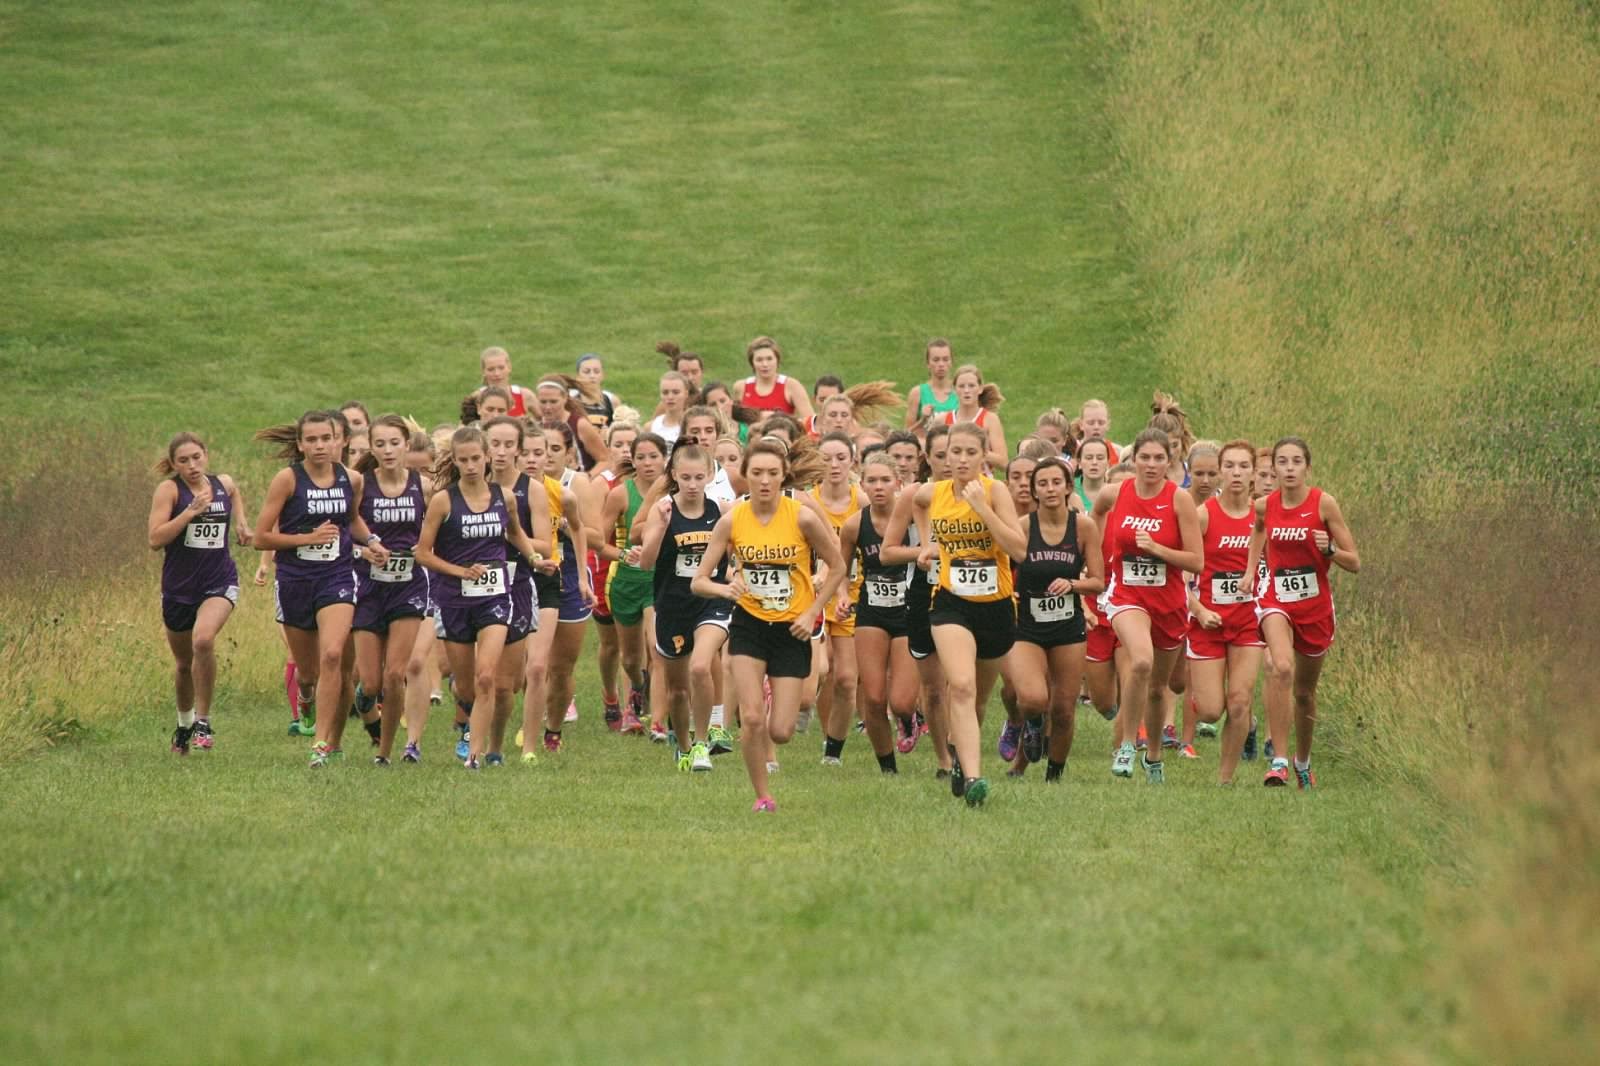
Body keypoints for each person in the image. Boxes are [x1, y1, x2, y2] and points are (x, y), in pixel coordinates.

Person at [692, 438, 846, 811]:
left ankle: (779, 731)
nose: (764, 481)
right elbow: (699, 581)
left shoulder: (802, 517)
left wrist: (811, 613)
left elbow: (838, 565)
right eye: (757, 473)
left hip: (792, 629)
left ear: (783, 477)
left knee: (781, 731)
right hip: (749, 625)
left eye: (772, 474)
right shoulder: (732, 521)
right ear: (745, 476)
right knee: (753, 717)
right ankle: (763, 795)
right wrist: (727, 587)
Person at [892, 422, 1027, 806]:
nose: (962, 459)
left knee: (979, 697)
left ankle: (957, 751)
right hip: (950, 603)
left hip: (997, 606)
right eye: (956, 452)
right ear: (945, 456)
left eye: (971, 452)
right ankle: (973, 777)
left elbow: (1018, 550)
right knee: (961, 686)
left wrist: (981, 507)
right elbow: (917, 502)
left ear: (984, 456)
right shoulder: (932, 492)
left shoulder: (994, 491)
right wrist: (929, 543)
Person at [253, 411, 391, 767]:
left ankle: (323, 742)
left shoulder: (352, 479)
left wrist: (372, 541)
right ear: (300, 444)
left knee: (334, 656)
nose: (319, 446)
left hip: (338, 577)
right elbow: (260, 537)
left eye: (325, 439)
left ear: (339, 440)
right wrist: (306, 539)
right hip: (296, 580)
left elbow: (353, 520)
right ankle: (307, 700)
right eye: (311, 440)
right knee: (310, 672)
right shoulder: (287, 480)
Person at [414, 426, 547, 769]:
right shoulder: (444, 500)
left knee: (488, 676)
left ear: (486, 457)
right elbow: (423, 553)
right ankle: (468, 725)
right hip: (455, 599)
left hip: (495, 597)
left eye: (476, 458)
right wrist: (459, 572)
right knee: (466, 686)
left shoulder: (505, 497)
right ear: (455, 462)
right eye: (464, 460)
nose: (471, 465)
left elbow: (515, 534)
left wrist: (533, 558)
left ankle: (475, 754)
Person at [1244, 437, 1360, 788]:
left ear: (1307, 467)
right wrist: (1251, 572)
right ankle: (1278, 760)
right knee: (1281, 667)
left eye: (1296, 462)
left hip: (1315, 605)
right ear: (1274, 468)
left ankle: (1302, 761)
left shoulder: (1324, 504)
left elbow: (1354, 562)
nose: (1289, 468)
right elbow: (1258, 532)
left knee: (1305, 692)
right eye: (1283, 462)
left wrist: (1330, 551)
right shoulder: (1265, 506)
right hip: (1276, 598)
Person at [1092, 429, 1203, 783]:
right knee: (1140, 659)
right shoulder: (1116, 493)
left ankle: (1153, 756)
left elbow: (1196, 562)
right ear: (1133, 460)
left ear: (1169, 463)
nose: (1152, 465)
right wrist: (1095, 556)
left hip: (1168, 604)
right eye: (1145, 458)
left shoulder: (1179, 499)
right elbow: (1095, 513)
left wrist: (1158, 550)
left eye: (1159, 459)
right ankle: (1127, 745)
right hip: (1127, 597)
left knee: (1159, 688)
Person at [148, 433, 249, 754]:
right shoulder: (169, 490)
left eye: (196, 457)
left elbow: (233, 493)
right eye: (183, 461)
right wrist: (190, 512)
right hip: (179, 589)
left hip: (219, 581)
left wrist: (242, 525)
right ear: (174, 464)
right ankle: (184, 725)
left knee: (203, 639)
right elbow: (155, 539)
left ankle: (204, 720)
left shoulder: (222, 483)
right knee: (183, 664)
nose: (192, 465)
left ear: (206, 455)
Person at [1010, 458, 1104, 782]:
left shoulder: (1084, 527)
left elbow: (1099, 581)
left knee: (1064, 709)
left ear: (1068, 487)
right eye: (1042, 483)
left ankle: (1054, 775)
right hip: (1027, 628)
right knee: (1034, 698)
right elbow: (1003, 567)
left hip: (1067, 627)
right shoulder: (1024, 526)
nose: (1050, 489)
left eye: (1056, 483)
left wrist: (1073, 584)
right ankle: (1033, 724)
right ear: (1034, 490)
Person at [638, 443, 729, 772]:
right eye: (686, 477)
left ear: (710, 476)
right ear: (674, 476)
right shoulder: (662, 509)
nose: (692, 484)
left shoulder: (721, 509)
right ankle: (685, 746)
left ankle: (703, 743)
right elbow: (647, 563)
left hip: (710, 602)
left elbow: (739, 548)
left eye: (699, 477)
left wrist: (736, 575)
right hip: (672, 606)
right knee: (677, 690)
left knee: (701, 667)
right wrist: (660, 527)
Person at [350, 416, 432, 765]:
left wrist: (424, 549)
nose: (387, 450)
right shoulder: (360, 485)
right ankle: (365, 705)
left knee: (395, 673)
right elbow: (346, 528)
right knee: (370, 683)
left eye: (394, 443)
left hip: (409, 587)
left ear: (406, 445)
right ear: (371, 446)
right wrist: (364, 548)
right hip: (368, 587)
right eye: (380, 444)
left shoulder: (423, 486)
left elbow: (439, 528)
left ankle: (385, 752)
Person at [1184, 440, 1262, 783]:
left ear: (1254, 474)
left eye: (1244, 466)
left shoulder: (1262, 516)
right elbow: (1179, 577)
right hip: (1208, 623)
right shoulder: (1202, 516)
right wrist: (1198, 610)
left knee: (1240, 700)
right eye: (1229, 466)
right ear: (1220, 471)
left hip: (1248, 622)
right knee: (1212, 710)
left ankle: (1224, 779)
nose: (1236, 473)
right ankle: (1231, 720)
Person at [837, 451, 913, 773]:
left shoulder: (912, 519)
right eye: (872, 481)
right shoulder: (854, 525)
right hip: (872, 612)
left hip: (909, 612)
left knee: (901, 701)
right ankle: (888, 767)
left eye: (885, 480)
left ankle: (910, 718)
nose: (879, 487)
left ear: (898, 482)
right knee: (874, 699)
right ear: (862, 484)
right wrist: (841, 595)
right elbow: (840, 566)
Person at [883, 426, 953, 775]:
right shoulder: (913, 495)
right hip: (925, 593)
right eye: (941, 455)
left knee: (964, 683)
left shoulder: (980, 493)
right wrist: (923, 551)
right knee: (935, 688)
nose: (950, 462)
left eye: (956, 453)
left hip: (972, 591)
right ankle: (944, 759)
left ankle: (962, 748)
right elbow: (887, 551)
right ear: (928, 458)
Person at [598, 433, 670, 733]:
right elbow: (599, 543)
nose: (648, 463)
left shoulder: (673, 491)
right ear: (633, 460)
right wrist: (624, 554)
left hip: (660, 580)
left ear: (664, 459)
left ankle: (657, 722)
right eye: (641, 457)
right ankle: (638, 687)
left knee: (656, 648)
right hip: (626, 581)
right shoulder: (620, 494)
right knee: (629, 658)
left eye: (654, 456)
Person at [535, 421, 597, 744]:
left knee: (560, 668)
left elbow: (586, 530)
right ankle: (528, 727)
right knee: (529, 667)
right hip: (528, 578)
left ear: (568, 453)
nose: (542, 457)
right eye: (532, 451)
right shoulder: (511, 489)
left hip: (568, 577)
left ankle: (552, 732)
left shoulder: (573, 488)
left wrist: (584, 574)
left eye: (552, 449)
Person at [810, 432, 866, 767]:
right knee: (822, 669)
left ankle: (833, 748)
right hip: (815, 594)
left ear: (852, 461)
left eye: (841, 458)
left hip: (852, 597)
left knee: (846, 679)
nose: (833, 465)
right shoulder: (807, 500)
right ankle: (820, 729)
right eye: (826, 458)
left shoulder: (862, 501)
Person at [588, 421, 637, 728]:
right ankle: (610, 696)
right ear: (608, 448)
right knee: (611, 643)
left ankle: (634, 707)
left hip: (643, 569)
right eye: (618, 444)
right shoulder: (600, 483)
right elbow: (594, 535)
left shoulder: (653, 480)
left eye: (632, 444)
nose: (626, 450)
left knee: (637, 642)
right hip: (607, 568)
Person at [940, 365, 1008, 470]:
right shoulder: (942, 420)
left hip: (982, 482)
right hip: (951, 482)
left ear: (980, 388)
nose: (966, 390)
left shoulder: (990, 419)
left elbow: (1003, 463)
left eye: (971, 386)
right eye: (961, 386)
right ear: (954, 390)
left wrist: (977, 451)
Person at [534, 376, 608, 470]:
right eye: (543, 402)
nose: (548, 407)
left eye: (553, 402)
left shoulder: (579, 424)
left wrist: (587, 479)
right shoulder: (535, 426)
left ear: (565, 398)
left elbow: (605, 459)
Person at [738, 336, 814, 421]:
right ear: (752, 362)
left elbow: (810, 422)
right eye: (759, 360)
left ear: (777, 360)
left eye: (769, 359)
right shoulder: (741, 387)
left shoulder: (792, 386)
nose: (765, 364)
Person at [904, 338, 960, 427]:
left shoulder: (961, 392)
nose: (941, 364)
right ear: (928, 363)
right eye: (936, 360)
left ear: (952, 362)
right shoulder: (917, 393)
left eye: (945, 359)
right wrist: (923, 420)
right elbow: (907, 435)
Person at [479, 347, 534, 417]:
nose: (497, 374)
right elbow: (463, 426)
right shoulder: (477, 398)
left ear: (509, 367)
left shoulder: (525, 396)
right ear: (483, 371)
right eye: (491, 369)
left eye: (501, 368)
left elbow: (545, 421)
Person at [571, 353, 619, 430]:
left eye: (596, 371)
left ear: (603, 375)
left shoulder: (612, 401)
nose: (592, 376)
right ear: (577, 376)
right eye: (586, 372)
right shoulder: (570, 401)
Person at [648, 371, 691, 450]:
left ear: (686, 394)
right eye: (665, 393)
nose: (670, 397)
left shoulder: (693, 425)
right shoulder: (651, 427)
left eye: (676, 392)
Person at [1075, 438, 1111, 514]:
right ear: (1079, 463)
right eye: (1089, 458)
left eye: (1100, 458)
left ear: (1108, 463)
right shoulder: (1068, 489)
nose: (1094, 462)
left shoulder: (1115, 491)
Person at [1079, 399, 1119, 463]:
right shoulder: (1072, 452)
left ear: (1108, 425)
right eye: (1091, 423)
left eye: (1101, 423)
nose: (1096, 427)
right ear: (1081, 424)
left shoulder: (1118, 452)